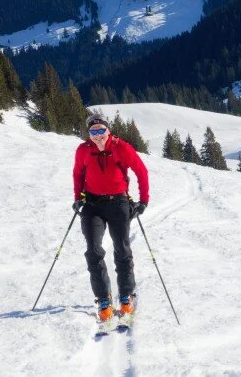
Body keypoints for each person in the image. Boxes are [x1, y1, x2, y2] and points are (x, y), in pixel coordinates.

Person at [72, 112, 150, 326]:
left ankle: (126, 295)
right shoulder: (83, 150)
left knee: (122, 249)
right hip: (92, 205)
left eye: (101, 130)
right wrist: (78, 198)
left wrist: (143, 201)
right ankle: (103, 299)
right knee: (93, 251)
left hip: (118, 203)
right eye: (93, 132)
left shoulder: (121, 148)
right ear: (89, 134)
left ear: (108, 130)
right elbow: (78, 174)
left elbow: (141, 172)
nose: (98, 135)